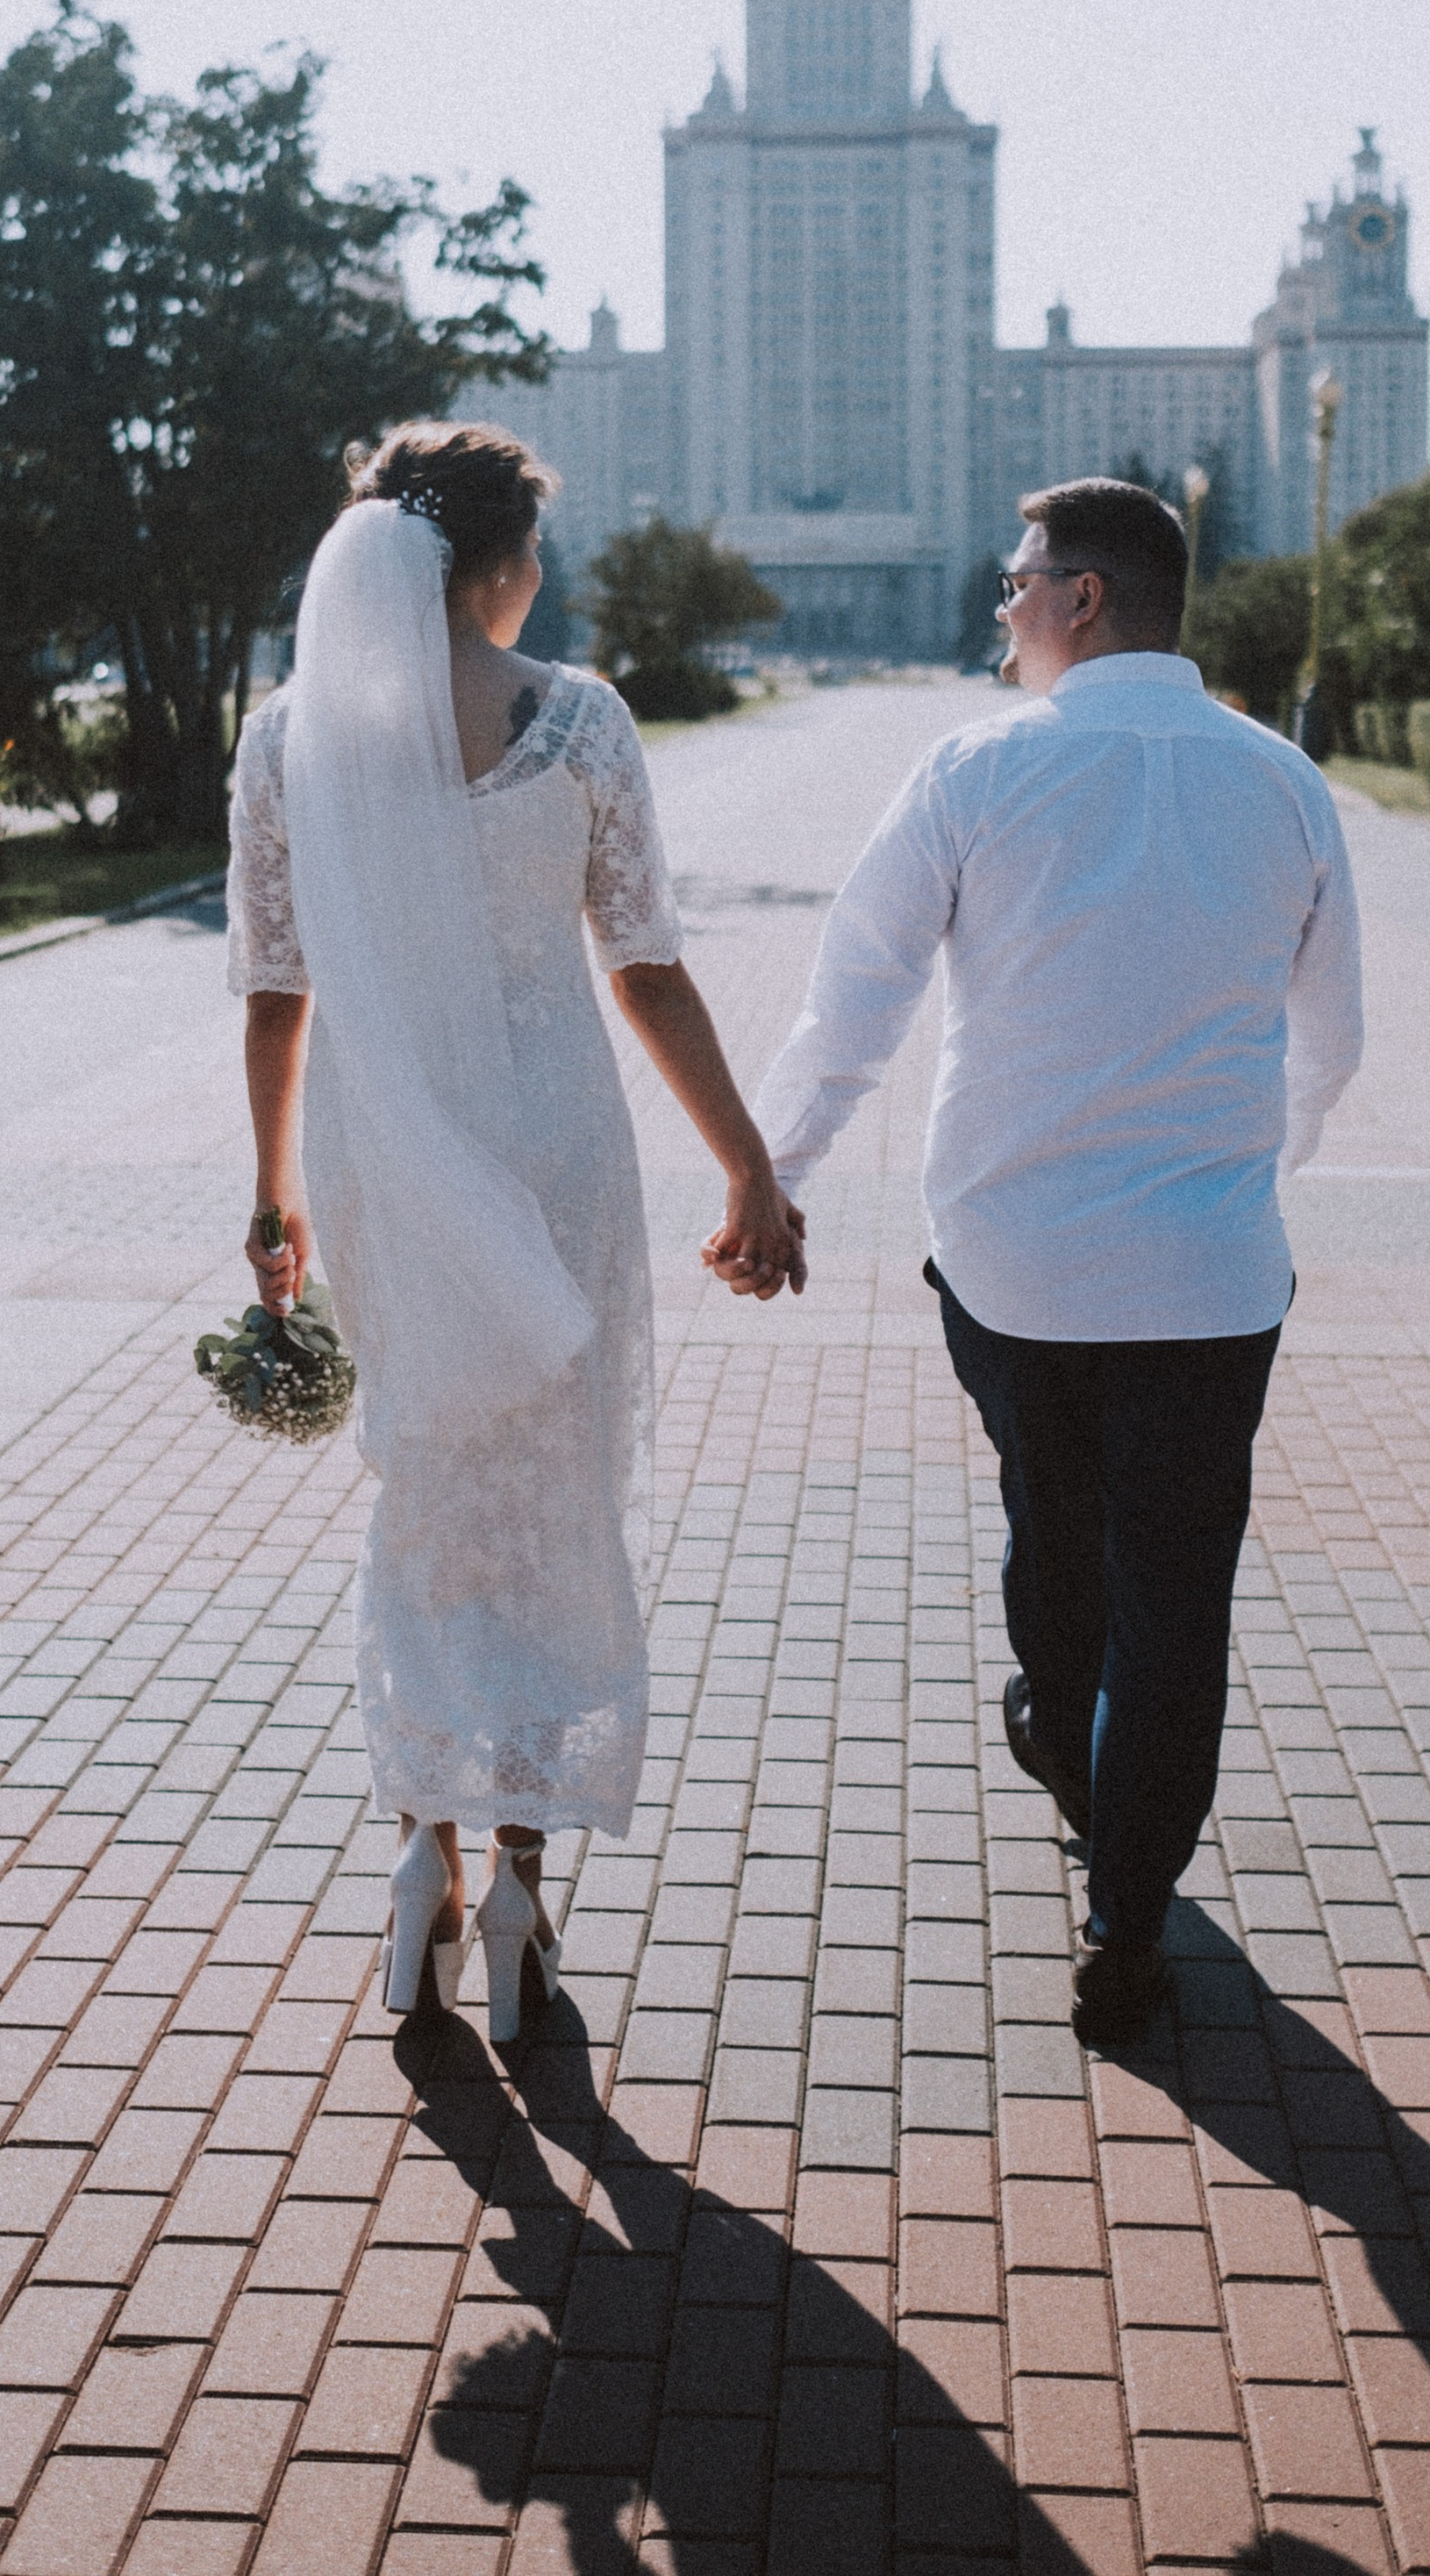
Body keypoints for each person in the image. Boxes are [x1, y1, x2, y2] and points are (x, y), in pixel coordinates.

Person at [738, 478, 1362, 2046]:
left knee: (1055, 1532)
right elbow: (1333, 1038)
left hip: (1013, 1266)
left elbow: (856, 997)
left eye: (1017, 582)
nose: (1002, 607)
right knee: (1177, 1600)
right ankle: (1128, 1913)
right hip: (1211, 1279)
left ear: (1084, 598)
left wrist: (774, 1180)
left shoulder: (974, 771)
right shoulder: (1284, 781)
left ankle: (1073, 1754)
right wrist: (1244, 1175)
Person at [227, 422, 804, 2047]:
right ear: (490, 565)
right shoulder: (581, 723)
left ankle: (421, 1850)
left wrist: (273, 1198)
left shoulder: (287, 741)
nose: (539, 576)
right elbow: (648, 967)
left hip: (382, 1158)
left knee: (426, 1485)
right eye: (532, 551)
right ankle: (524, 1887)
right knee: (562, 1493)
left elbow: (274, 992)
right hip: (556, 1157)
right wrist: (748, 1164)